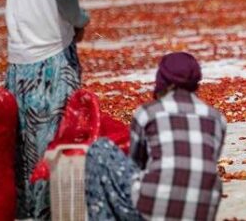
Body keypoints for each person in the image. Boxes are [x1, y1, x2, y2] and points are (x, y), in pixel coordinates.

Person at [4, 0, 89, 219]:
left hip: (18, 59)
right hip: (51, 60)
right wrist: (79, 20)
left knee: (22, 153)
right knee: (52, 152)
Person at [85, 52, 227, 221]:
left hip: (151, 211)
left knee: (100, 149)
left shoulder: (147, 113)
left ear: (163, 78)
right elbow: (207, 160)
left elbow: (136, 164)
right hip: (200, 213)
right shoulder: (217, 118)